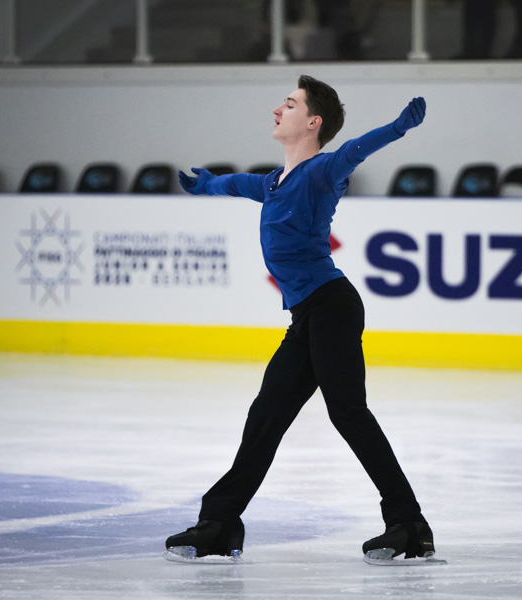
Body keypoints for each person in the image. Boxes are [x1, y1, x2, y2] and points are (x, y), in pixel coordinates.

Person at [165, 75, 435, 562]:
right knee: (265, 416)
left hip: (331, 307)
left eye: (289, 104)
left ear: (313, 122)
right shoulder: (273, 182)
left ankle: (409, 525)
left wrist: (396, 129)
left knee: (347, 413)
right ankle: (219, 523)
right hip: (308, 315)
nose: (277, 110)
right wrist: (208, 186)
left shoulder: (321, 172)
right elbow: (236, 183)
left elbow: (352, 151)